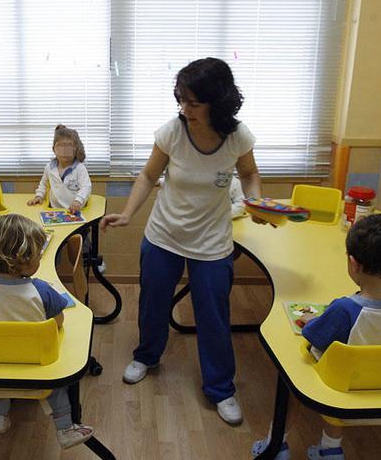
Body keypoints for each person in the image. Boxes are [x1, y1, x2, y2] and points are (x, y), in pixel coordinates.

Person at [100, 57, 264, 425]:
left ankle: (221, 388)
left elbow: (250, 173)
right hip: (163, 236)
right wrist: (127, 214)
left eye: (193, 102)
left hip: (212, 244)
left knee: (214, 317)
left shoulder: (238, 136)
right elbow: (147, 175)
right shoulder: (172, 132)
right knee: (152, 304)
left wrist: (255, 202)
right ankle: (146, 355)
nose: (184, 109)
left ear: (217, 101)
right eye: (181, 100)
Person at [252, 213, 381, 460]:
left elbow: (312, 335)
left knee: (289, 377)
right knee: (346, 369)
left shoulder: (344, 309)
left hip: (339, 385)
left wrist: (312, 321)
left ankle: (276, 445)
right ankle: (330, 448)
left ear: (352, 263)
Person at [0, 214, 94, 449]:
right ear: (26, 259)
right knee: (57, 383)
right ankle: (64, 428)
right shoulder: (41, 291)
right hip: (37, 365)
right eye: (39, 254)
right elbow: (58, 322)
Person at [28, 125, 92, 214]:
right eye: (61, 146)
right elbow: (43, 184)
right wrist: (39, 196)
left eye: (69, 145)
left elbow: (86, 187)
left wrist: (78, 201)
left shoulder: (80, 168)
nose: (64, 150)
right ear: (54, 149)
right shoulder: (49, 167)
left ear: (76, 149)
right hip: (54, 210)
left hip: (75, 210)